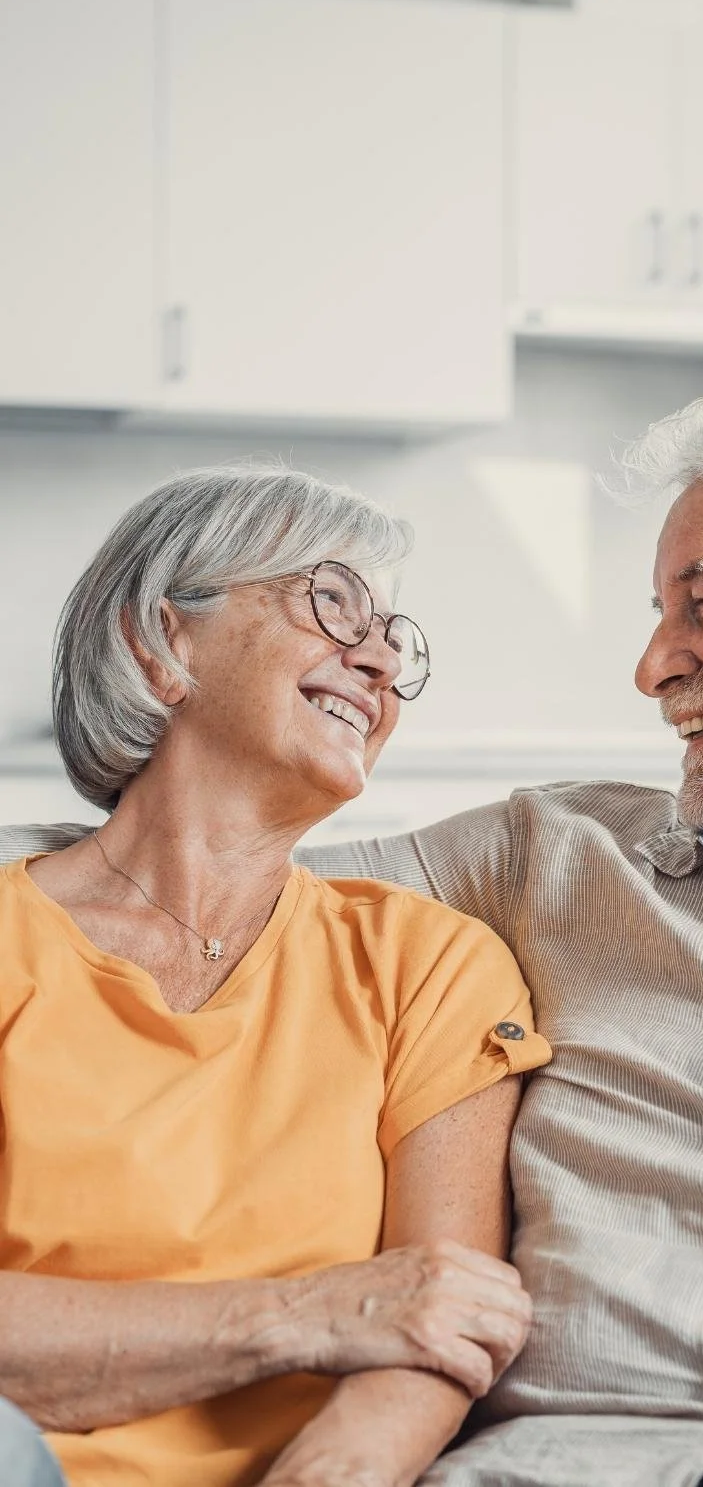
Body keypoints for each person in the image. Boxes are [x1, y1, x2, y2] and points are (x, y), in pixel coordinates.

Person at [5, 384, 703, 1487]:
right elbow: (198, 867)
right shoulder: (546, 858)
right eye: (334, 607)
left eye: (701, 600)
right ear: (162, 641)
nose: (651, 665)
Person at [0, 468, 551, 1487]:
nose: (380, 657)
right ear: (158, 645)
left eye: (396, 636)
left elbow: (445, 1329)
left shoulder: (428, 966)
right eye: (333, 600)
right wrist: (317, 1313)